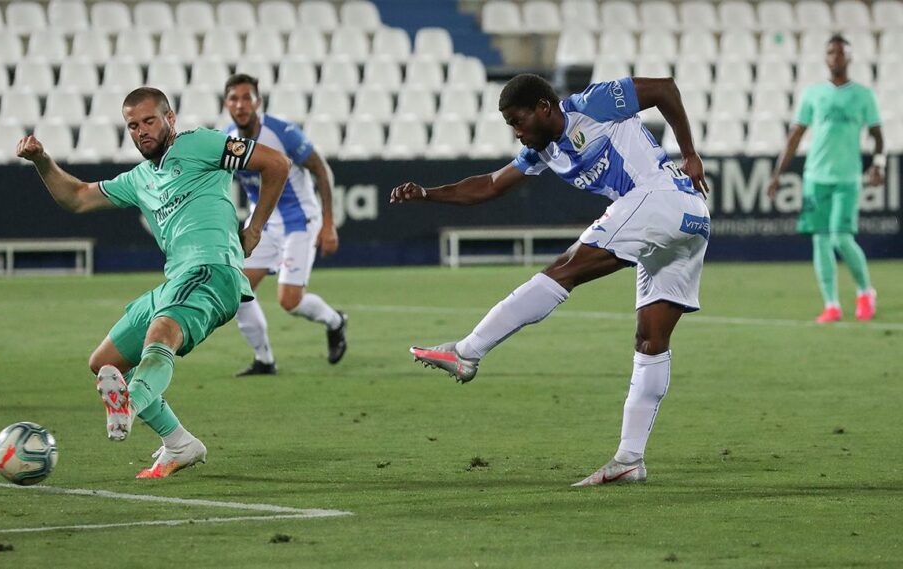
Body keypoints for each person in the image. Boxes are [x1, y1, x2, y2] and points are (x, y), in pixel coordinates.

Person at [391, 74, 711, 487]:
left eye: (518, 120)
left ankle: (468, 352)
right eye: (509, 125)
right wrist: (427, 194)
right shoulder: (543, 152)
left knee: (565, 268)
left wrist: (690, 154)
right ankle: (630, 459)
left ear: (544, 107)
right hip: (689, 220)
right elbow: (489, 185)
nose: (516, 131)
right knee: (650, 341)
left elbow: (665, 88)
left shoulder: (591, 104)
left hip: (663, 196)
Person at [17, 87, 290, 478]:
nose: (142, 131)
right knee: (105, 362)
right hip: (177, 280)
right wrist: (42, 161)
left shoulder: (201, 144)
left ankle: (129, 402)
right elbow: (77, 198)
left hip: (214, 271)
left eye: (149, 121)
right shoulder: (140, 178)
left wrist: (255, 228)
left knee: (161, 332)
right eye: (133, 125)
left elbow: (276, 163)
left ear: (170, 119)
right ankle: (179, 443)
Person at [222, 74, 347, 376]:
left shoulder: (281, 133)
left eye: (246, 97)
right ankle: (264, 359)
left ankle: (335, 321)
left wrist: (328, 223)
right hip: (262, 223)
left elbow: (321, 170)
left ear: (258, 102)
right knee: (235, 290)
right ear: (227, 105)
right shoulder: (228, 140)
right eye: (233, 99)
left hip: (298, 221)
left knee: (289, 301)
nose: (240, 105)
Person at [766, 34, 884, 323]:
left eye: (840, 52)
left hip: (847, 178)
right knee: (820, 240)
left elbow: (877, 135)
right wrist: (778, 173)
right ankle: (832, 304)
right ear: (825, 57)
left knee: (842, 238)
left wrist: (878, 164)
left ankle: (865, 292)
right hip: (815, 178)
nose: (835, 57)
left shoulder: (863, 95)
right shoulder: (813, 94)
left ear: (850, 56)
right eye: (830, 52)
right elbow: (796, 134)